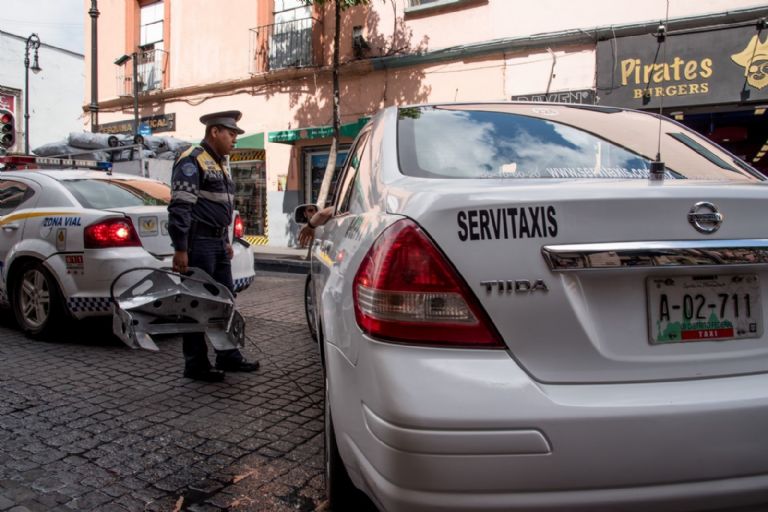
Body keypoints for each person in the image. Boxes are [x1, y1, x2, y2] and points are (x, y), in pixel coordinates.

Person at [168, 110, 260, 382]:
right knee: (196, 304)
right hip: (198, 245)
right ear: (214, 132)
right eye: (231, 134)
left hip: (217, 243)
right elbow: (181, 208)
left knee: (225, 301)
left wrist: (224, 240)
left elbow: (217, 207)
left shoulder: (219, 162)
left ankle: (228, 356)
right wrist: (181, 248)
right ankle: (195, 364)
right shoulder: (192, 160)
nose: (235, 140)